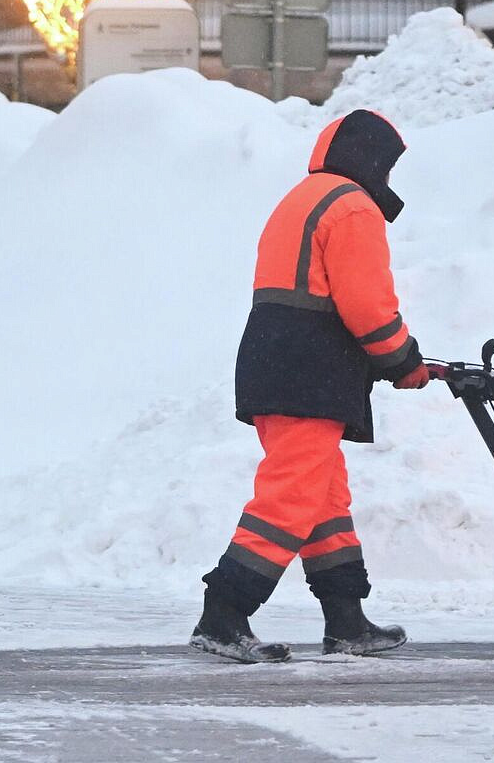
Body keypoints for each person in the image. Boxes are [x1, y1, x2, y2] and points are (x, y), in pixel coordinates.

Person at [190, 109, 431, 664]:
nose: (387, 182)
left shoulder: (304, 197)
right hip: (307, 371)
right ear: (368, 160)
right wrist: (403, 361)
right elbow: (367, 304)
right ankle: (223, 613)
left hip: (280, 363)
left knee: (323, 496)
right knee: (291, 496)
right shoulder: (351, 207)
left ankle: (345, 618)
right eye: (387, 168)